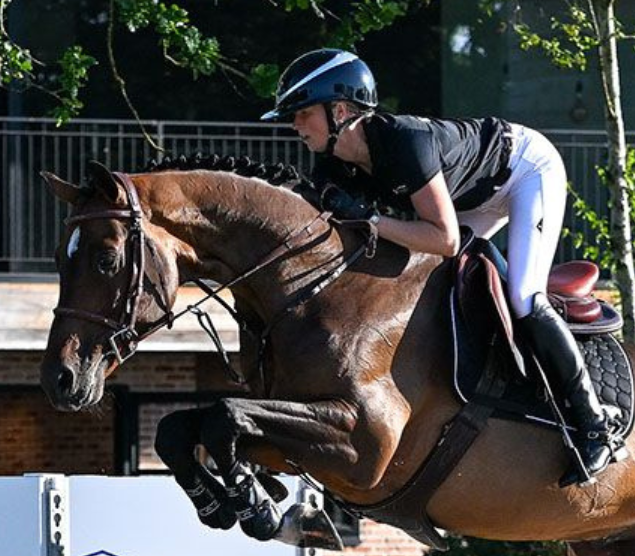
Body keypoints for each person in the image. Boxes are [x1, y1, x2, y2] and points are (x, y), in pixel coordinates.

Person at [261, 48, 616, 485]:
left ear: (340, 111)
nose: (295, 125)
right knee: (432, 284)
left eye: (302, 113)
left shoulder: (405, 142)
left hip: (525, 171)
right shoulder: (334, 167)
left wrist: (371, 219)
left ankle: (594, 424)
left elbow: (445, 240)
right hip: (470, 197)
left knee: (524, 296)